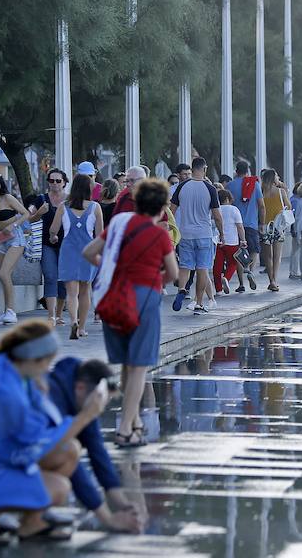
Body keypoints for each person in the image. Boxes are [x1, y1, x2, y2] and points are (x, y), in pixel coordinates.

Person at [0, 320, 108, 544]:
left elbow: (47, 428)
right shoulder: (6, 390)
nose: (47, 369)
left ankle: (31, 523)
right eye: (46, 362)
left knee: (70, 450)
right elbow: (38, 442)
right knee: (60, 488)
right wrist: (86, 416)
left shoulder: (14, 371)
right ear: (30, 359)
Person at [82, 179, 179, 447]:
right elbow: (172, 273)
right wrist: (153, 278)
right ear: (161, 207)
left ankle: (134, 420)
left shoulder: (118, 224)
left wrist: (112, 269)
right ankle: (125, 430)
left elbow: (88, 252)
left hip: (115, 296)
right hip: (144, 298)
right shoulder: (159, 234)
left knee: (126, 364)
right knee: (138, 369)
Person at [48, 358, 144, 533]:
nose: (98, 411)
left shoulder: (79, 394)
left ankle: (36, 515)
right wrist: (107, 519)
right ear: (80, 388)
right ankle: (31, 520)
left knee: (69, 452)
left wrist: (123, 504)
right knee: (68, 455)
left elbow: (98, 452)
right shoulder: (52, 397)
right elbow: (69, 463)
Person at [52, 174, 103, 339]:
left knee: (71, 292)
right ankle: (81, 327)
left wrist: (54, 237)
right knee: (85, 290)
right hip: (88, 251)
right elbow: (100, 234)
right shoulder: (95, 207)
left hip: (68, 251)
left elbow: (53, 230)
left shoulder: (63, 206)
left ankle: (73, 320)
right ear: (88, 189)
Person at [170, 157, 223, 314]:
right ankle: (199, 302)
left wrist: (171, 230)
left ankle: (181, 289)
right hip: (204, 234)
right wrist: (222, 233)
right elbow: (217, 216)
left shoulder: (182, 186)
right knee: (202, 269)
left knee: (185, 265)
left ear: (192, 169)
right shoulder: (210, 188)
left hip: (185, 233)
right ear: (205, 169)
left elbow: (171, 210)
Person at [0, 172, 29, 325]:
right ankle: (7, 311)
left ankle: (11, 312)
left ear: (1, 185)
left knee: (4, 273)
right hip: (1, 239)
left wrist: (13, 225)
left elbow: (25, 213)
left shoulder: (7, 198)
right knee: (3, 276)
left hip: (15, 237)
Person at [29, 169, 68, 326]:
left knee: (63, 279)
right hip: (47, 244)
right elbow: (30, 218)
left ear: (64, 182)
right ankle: (51, 315)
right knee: (50, 276)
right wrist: (39, 212)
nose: (55, 184)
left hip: (66, 245)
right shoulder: (41, 200)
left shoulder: (70, 200)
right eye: (52, 181)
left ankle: (59, 314)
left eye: (58, 181)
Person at [225, 160, 264, 289]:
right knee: (254, 250)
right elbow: (262, 206)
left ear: (236, 171)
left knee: (239, 252)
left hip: (235, 224)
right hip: (251, 224)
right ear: (247, 171)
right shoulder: (255, 185)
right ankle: (250, 270)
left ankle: (241, 283)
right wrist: (262, 224)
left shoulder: (230, 185)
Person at [260, 169, 292, 292]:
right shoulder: (281, 191)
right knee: (277, 256)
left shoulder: (261, 191)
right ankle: (274, 280)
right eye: (277, 176)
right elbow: (288, 206)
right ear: (274, 178)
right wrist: (286, 191)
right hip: (278, 227)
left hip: (264, 226)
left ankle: (271, 280)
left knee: (268, 256)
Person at [213, 189, 246, 294]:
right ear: (227, 199)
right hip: (232, 242)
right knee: (233, 263)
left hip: (218, 241)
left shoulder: (214, 209)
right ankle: (226, 278)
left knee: (217, 266)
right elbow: (240, 227)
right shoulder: (234, 209)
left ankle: (218, 290)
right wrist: (243, 240)